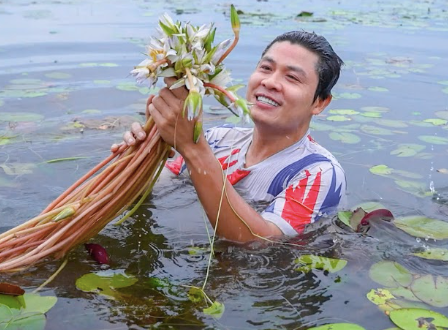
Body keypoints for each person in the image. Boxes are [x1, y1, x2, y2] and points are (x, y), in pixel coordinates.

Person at [113, 31, 346, 243]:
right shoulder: (218, 139)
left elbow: (258, 241)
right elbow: (151, 189)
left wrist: (193, 148)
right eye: (266, 68)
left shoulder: (318, 173)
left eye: (292, 78)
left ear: (319, 103)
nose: (270, 82)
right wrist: (143, 154)